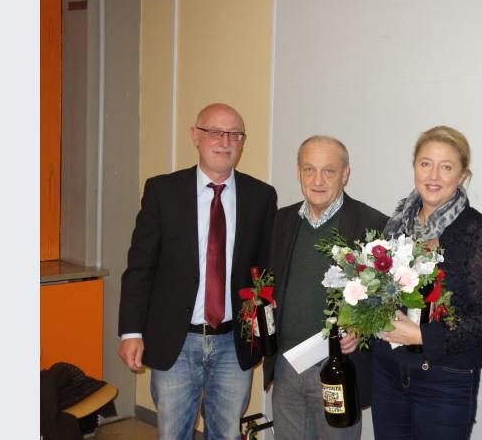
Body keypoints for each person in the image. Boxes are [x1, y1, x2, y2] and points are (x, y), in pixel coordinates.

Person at [118, 103, 277, 439]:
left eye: (235, 134)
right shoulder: (163, 191)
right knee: (173, 433)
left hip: (233, 344)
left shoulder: (261, 196)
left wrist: (264, 336)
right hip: (177, 341)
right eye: (215, 132)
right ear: (195, 136)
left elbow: (264, 274)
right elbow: (140, 266)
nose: (225, 141)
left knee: (227, 434)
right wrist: (131, 332)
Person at [373, 126, 482, 440]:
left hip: (445, 377)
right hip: (388, 370)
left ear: (462, 175)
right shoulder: (395, 225)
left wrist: (421, 335)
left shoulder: (478, 231)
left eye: (446, 167)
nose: (433, 175)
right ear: (415, 167)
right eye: (425, 163)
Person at [264, 135, 388, 440]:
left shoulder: (373, 224)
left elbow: (389, 298)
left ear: (345, 174)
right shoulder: (280, 221)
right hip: (286, 366)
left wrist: (363, 329)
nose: (317, 180)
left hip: (339, 369)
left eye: (328, 171)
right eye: (309, 169)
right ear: (299, 172)